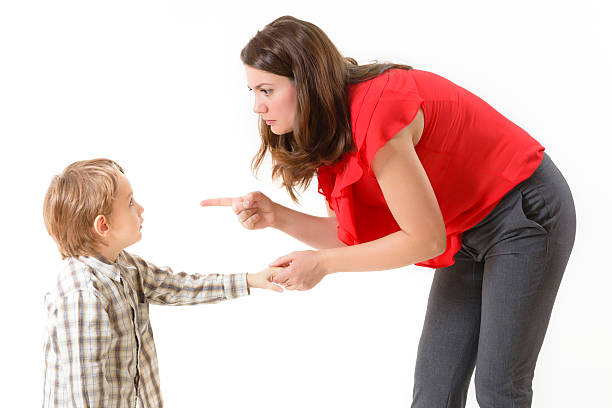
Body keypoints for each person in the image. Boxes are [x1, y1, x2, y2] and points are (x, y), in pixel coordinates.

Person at [201, 15, 577, 408]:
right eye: (252, 91)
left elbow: (423, 238)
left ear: (306, 82)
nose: (257, 106)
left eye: (266, 90)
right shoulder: (333, 123)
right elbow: (352, 235)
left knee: (499, 388)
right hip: (465, 228)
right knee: (434, 391)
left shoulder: (377, 112)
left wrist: (324, 265)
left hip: (524, 211)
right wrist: (277, 216)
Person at [42, 158, 281, 408]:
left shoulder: (126, 266)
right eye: (131, 202)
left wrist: (250, 280)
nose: (141, 209)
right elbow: (86, 394)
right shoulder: (83, 295)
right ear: (103, 226)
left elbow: (179, 286)